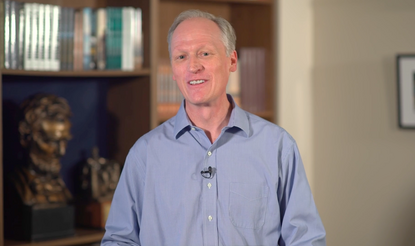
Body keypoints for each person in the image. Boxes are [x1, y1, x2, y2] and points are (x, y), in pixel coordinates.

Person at [102, 9, 326, 246]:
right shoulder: (145, 154)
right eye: (181, 57)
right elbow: (119, 240)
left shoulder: (278, 146)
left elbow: (305, 240)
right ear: (173, 71)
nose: (193, 66)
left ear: (231, 60)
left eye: (205, 53)